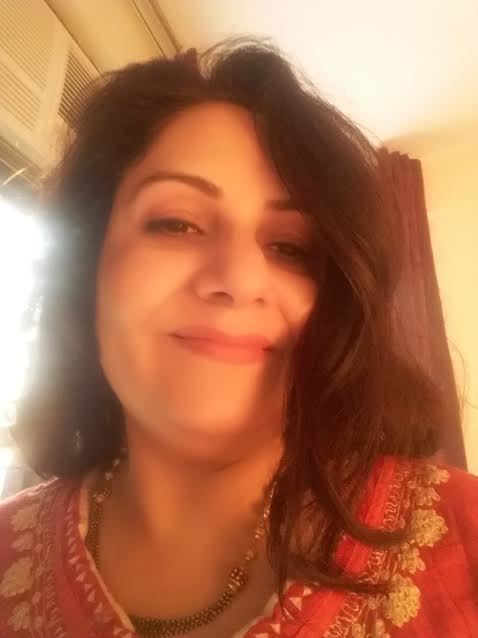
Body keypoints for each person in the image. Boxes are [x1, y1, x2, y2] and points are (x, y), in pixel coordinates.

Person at [0, 38, 476, 638]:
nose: (239, 280)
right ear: (86, 265)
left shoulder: (465, 537)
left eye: (291, 248)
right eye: (177, 223)